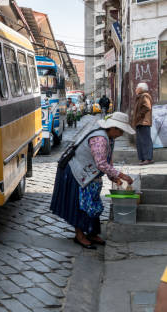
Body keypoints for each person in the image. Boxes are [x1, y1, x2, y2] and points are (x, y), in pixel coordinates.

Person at [50, 112, 134, 249]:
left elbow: (108, 162)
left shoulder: (110, 139)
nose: (121, 134)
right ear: (113, 128)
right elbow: (101, 164)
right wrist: (123, 176)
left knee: (92, 203)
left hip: (89, 173)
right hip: (75, 171)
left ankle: (92, 233)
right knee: (81, 204)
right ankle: (80, 235)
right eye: (121, 131)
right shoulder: (100, 139)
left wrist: (114, 177)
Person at [133, 82, 154, 165]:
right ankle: (143, 158)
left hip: (143, 122)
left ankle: (148, 158)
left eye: (137, 87)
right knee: (140, 141)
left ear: (141, 89)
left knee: (145, 140)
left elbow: (147, 107)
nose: (135, 89)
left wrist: (139, 115)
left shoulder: (144, 96)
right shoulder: (140, 97)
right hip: (140, 122)